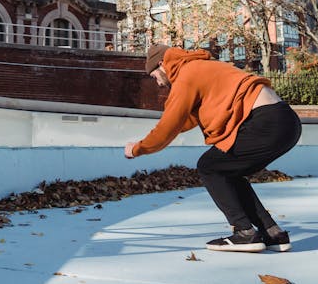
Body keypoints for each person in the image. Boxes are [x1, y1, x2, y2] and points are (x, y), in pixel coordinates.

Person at [124, 45, 302, 253]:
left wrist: (138, 148)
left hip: (265, 122)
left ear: (162, 64)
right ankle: (272, 233)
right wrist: (155, 138)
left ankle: (244, 232)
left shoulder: (186, 75)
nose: (158, 82)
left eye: (154, 75)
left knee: (209, 166)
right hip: (286, 122)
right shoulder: (201, 67)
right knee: (229, 172)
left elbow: (169, 125)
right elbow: (184, 120)